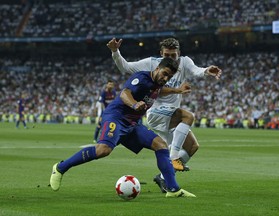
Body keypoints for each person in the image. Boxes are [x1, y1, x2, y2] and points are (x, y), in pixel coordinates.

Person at [50, 58, 196, 198]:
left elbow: (160, 90)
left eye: (169, 77)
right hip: (116, 118)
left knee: (161, 145)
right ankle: (60, 168)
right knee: (103, 150)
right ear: (157, 68)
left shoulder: (157, 84)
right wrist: (134, 104)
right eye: (164, 73)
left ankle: (173, 189)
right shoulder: (141, 78)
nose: (165, 78)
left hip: (133, 124)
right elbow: (125, 93)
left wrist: (177, 90)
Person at [107, 37, 222, 193]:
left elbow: (197, 70)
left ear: (178, 53)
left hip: (170, 115)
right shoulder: (152, 63)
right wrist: (115, 51)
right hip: (155, 111)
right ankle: (174, 159)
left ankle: (163, 177)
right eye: (166, 55)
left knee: (192, 147)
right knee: (187, 116)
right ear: (161, 53)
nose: (170, 58)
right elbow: (126, 67)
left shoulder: (185, 62)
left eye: (173, 55)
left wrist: (206, 71)